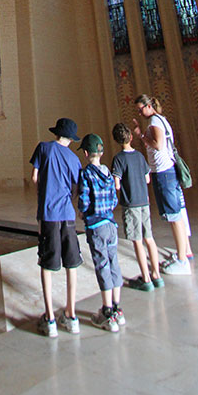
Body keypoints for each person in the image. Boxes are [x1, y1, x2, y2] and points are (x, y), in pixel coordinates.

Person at [30, 117, 83, 337]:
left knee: (47, 263)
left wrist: (44, 192)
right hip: (68, 215)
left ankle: (50, 318)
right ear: (71, 139)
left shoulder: (44, 148)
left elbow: (34, 177)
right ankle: (71, 315)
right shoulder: (74, 158)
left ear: (56, 133)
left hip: (48, 214)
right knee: (72, 264)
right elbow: (77, 188)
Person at [132, 94, 193, 275]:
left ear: (149, 105)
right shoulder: (161, 120)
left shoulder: (155, 122)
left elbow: (158, 145)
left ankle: (182, 260)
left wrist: (141, 136)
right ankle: (185, 252)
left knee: (173, 215)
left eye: (140, 109)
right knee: (178, 212)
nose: (140, 112)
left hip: (164, 173)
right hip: (168, 171)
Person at [77, 133, 124, 332]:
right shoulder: (107, 173)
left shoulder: (86, 174)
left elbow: (85, 201)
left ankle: (106, 311)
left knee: (102, 264)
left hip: (96, 226)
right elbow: (114, 200)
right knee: (114, 262)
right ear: (102, 152)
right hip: (111, 224)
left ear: (86, 153)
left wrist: (82, 212)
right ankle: (116, 307)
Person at [110, 122, 163, 291]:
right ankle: (157, 274)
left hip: (130, 203)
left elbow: (117, 185)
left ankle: (146, 278)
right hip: (144, 202)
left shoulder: (118, 159)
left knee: (137, 241)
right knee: (149, 238)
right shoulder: (140, 156)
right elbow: (147, 178)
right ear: (131, 137)